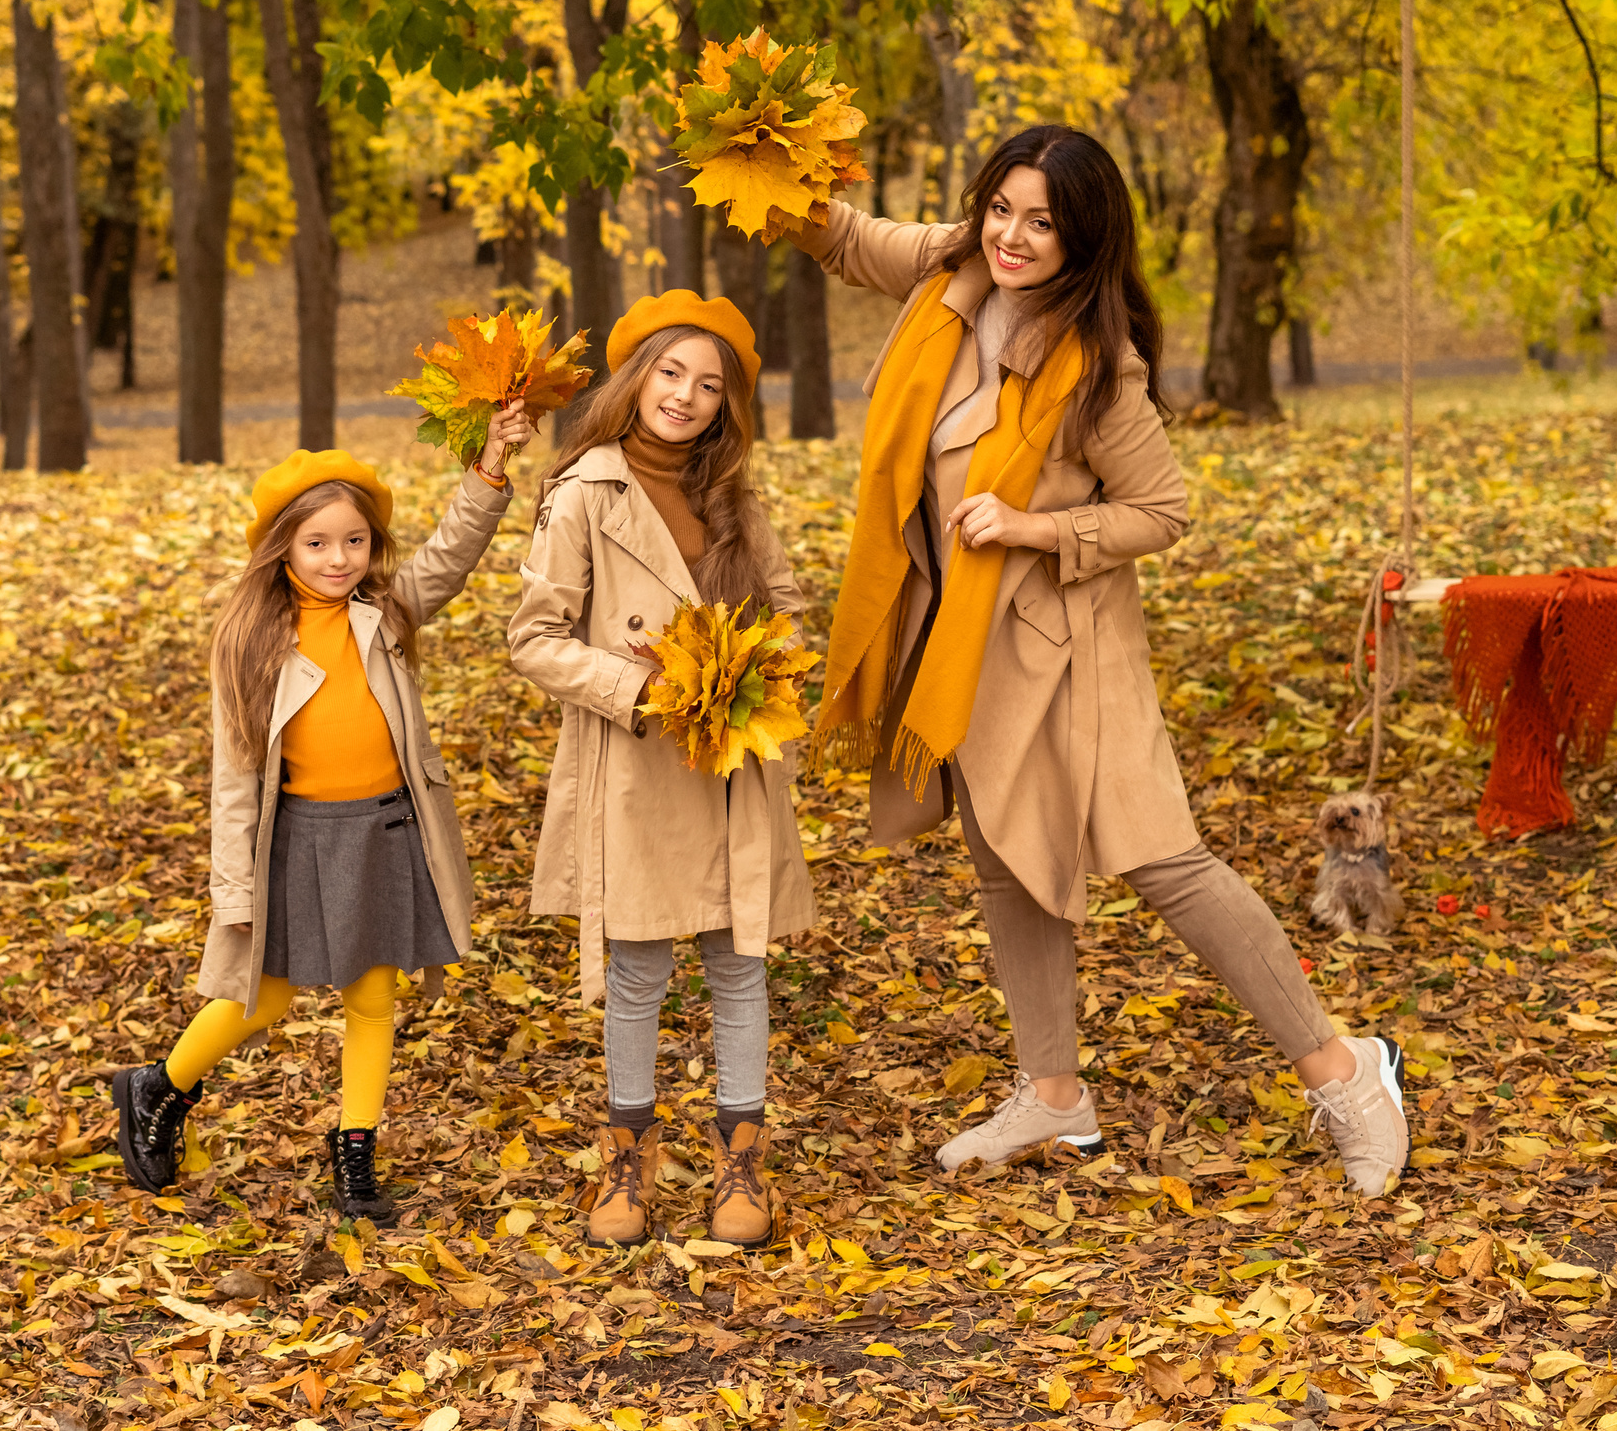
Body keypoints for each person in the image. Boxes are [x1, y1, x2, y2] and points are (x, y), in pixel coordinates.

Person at [798, 127, 1409, 1194]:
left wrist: (1035, 530)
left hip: (1072, 655)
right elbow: (842, 237)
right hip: (959, 646)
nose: (1013, 236)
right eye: (1002, 209)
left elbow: (1162, 512)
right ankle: (1054, 1098)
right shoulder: (949, 276)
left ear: (1082, 239)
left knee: (1166, 864)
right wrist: (765, 162)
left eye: (1042, 221)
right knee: (1004, 862)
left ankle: (1345, 1067)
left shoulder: (1099, 363)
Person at [110, 418, 531, 1219]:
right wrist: (232, 889)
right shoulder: (251, 641)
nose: (339, 559)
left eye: (355, 542)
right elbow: (234, 780)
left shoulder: (387, 611)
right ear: (282, 549)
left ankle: (355, 1159)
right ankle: (159, 1086)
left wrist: (490, 472)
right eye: (317, 544)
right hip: (297, 839)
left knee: (373, 998)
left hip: (381, 833)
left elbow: (448, 554)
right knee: (262, 998)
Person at [508, 291, 814, 1246]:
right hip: (640, 762)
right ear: (636, 379)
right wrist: (642, 694)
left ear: (727, 404)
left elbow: (789, 603)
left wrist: (759, 670)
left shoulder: (732, 494)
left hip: (731, 762)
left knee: (738, 965)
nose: (685, 395)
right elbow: (533, 638)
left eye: (709, 383)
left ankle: (741, 1160)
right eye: (670, 372)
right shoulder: (584, 492)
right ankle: (627, 1162)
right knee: (638, 970)